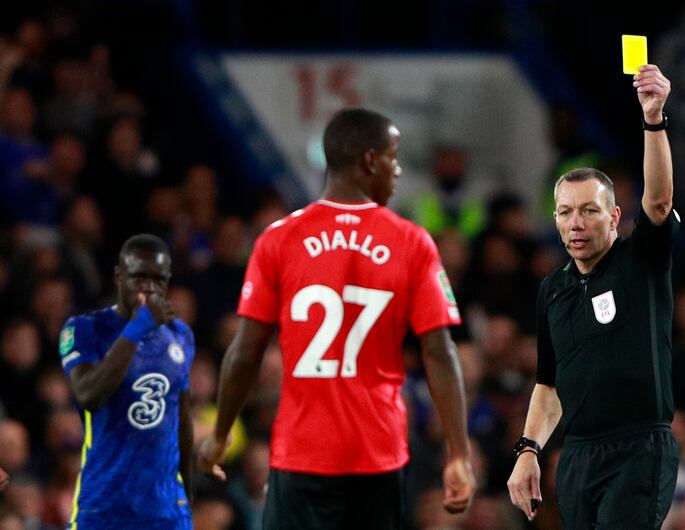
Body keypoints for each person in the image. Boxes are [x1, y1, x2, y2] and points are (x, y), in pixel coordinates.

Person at [198, 107, 476, 529]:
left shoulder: (278, 239)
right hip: (378, 452)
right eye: (393, 156)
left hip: (302, 450)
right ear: (369, 161)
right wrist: (457, 454)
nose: (397, 170)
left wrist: (220, 433)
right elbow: (439, 353)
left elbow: (244, 353)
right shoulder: (412, 241)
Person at [507, 64, 680, 528]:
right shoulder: (553, 290)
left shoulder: (639, 261)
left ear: (614, 216)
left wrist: (653, 119)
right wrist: (529, 450)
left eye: (589, 211)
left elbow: (659, 201)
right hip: (578, 456)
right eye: (565, 212)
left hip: (639, 446)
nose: (576, 223)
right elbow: (549, 383)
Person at [59, 234, 194, 528]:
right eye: (139, 277)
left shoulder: (181, 334)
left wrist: (189, 500)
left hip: (166, 509)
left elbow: (181, 421)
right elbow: (88, 394)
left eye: (158, 280)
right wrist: (138, 328)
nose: (149, 287)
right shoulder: (85, 329)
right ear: (119, 276)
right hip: (105, 505)